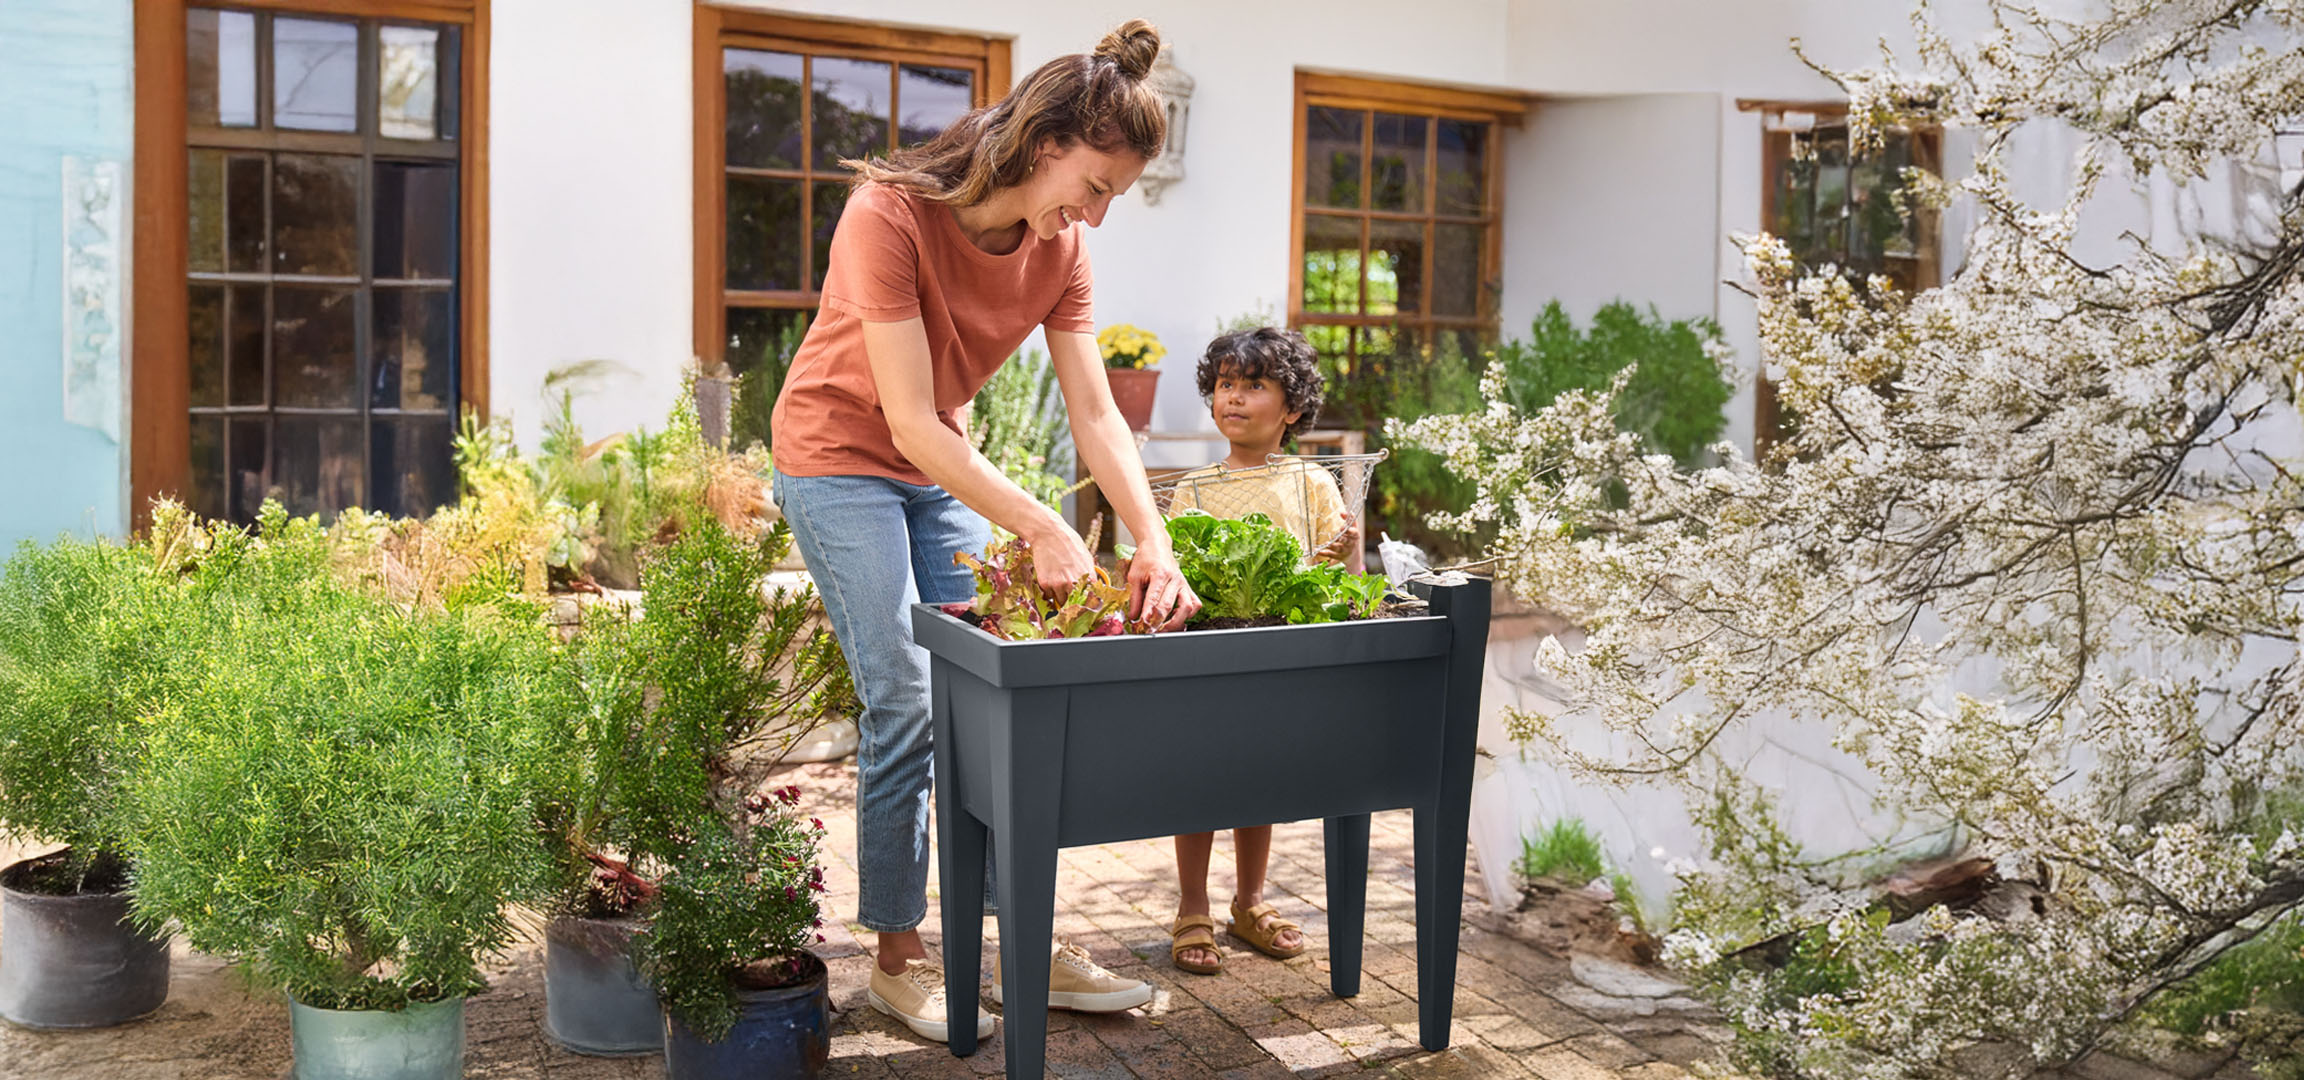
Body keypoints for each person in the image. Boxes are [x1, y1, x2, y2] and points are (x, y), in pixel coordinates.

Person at [768, 19, 1202, 1044]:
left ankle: (1030, 938)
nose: (1095, 214)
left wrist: (1154, 538)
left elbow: (1096, 413)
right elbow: (906, 418)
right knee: (908, 698)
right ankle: (897, 955)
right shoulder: (892, 215)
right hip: (837, 461)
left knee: (1000, 696)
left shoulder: (1062, 250)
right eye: (1095, 185)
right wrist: (1042, 520)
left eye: (1113, 198)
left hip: (938, 465)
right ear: (1046, 143)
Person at [1162, 327, 1358, 976]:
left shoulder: (1311, 484)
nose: (1234, 399)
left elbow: (1338, 578)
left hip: (1279, 655)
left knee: (1258, 780)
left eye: (1254, 386)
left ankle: (1249, 902)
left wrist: (1340, 558)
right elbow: (1177, 571)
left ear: (1293, 409)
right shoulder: (1193, 488)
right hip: (1206, 657)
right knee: (1196, 778)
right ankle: (1193, 904)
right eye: (1224, 385)